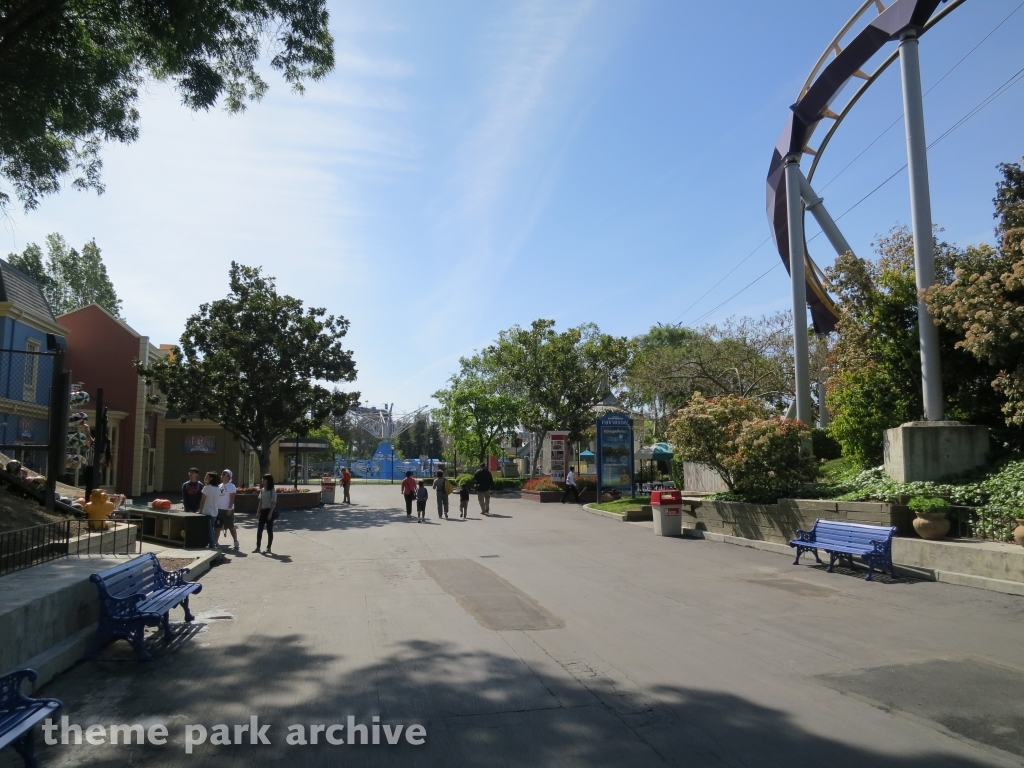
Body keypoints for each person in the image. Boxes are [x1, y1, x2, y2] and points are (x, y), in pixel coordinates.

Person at [254, 474, 277, 554]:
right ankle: (258, 547)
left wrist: (270, 514)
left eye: (264, 479)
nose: (262, 481)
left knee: (269, 530)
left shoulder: (272, 491)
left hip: (269, 511)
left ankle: (268, 547)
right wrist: (258, 512)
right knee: (259, 529)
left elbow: (273, 503)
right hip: (263, 511)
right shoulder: (262, 490)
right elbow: (260, 502)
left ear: (268, 480)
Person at [217, 469, 239, 550]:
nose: (222, 475)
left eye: (224, 474)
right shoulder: (219, 486)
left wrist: (229, 509)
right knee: (217, 526)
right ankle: (216, 542)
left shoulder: (231, 486)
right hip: (219, 509)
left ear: (228, 476)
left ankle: (235, 541)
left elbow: (232, 499)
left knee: (230, 526)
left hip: (227, 509)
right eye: (222, 474)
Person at [200, 472, 221, 549]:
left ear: (211, 478)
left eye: (206, 476)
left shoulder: (206, 488)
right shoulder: (217, 489)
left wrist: (200, 510)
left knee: (209, 530)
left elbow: (203, 501)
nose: (204, 477)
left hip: (207, 511)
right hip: (215, 512)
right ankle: (212, 543)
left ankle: (212, 545)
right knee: (211, 528)